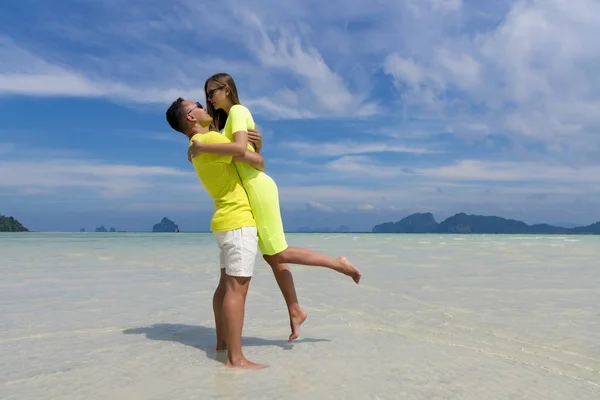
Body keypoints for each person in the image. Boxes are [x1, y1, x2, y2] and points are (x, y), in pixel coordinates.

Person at [189, 72, 362, 342]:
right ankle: (295, 310)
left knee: (278, 252)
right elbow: (253, 155)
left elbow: (241, 151)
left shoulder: (237, 110)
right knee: (272, 256)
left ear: (226, 89)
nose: (209, 99)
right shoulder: (226, 123)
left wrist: (204, 148)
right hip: (253, 187)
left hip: (257, 189)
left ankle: (338, 264)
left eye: (212, 92)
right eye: (206, 95)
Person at [166, 99, 267, 369]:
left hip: (224, 222)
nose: (204, 106)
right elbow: (256, 161)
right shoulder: (209, 138)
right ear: (190, 117)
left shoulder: (197, 146)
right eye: (198, 104)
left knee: (225, 286)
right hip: (238, 219)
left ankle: (223, 345)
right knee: (238, 290)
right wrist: (259, 148)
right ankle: (236, 358)